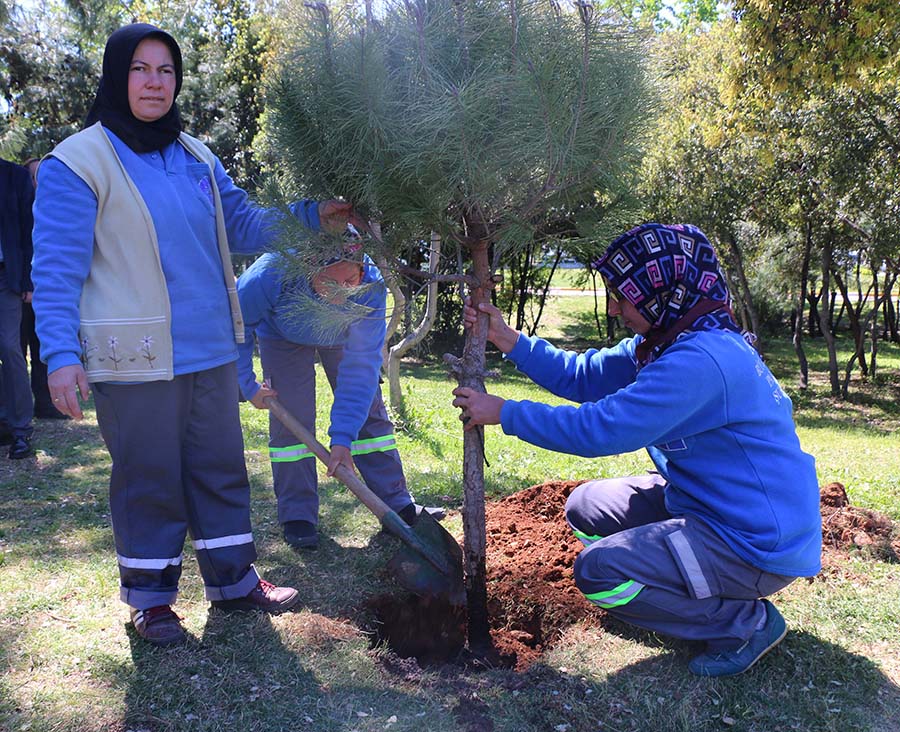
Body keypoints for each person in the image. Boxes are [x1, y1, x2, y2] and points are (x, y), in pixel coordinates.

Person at [31, 23, 358, 647]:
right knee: (148, 473)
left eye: (166, 71)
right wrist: (60, 355)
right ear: (116, 74)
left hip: (209, 347)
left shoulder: (194, 154)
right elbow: (55, 269)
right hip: (136, 358)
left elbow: (240, 222)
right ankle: (151, 600)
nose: (155, 82)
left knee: (219, 468)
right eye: (140, 69)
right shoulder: (78, 161)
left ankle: (233, 581)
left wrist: (314, 216)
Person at [452, 223, 821, 677]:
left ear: (659, 293)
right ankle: (665, 593)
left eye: (622, 297)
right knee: (587, 506)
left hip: (751, 541)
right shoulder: (667, 341)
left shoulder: (698, 362)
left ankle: (744, 623)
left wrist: (506, 413)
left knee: (598, 573)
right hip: (712, 506)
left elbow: (600, 430)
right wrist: (507, 339)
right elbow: (583, 377)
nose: (614, 307)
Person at [236, 228, 443, 550]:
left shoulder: (370, 288)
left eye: (352, 280)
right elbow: (235, 328)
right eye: (336, 283)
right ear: (311, 267)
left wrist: (342, 437)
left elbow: (360, 370)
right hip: (281, 335)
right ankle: (298, 514)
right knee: (292, 418)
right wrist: (247, 385)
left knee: (370, 415)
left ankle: (396, 502)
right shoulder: (270, 274)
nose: (347, 290)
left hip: (342, 336)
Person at [20, 157, 68, 421]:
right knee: (19, 348)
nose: (41, 181)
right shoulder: (21, 209)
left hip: (45, 290)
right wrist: (26, 284)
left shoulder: (56, 208)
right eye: (36, 175)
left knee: (41, 350)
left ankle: (46, 404)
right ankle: (19, 408)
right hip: (22, 289)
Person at [0, 157, 35, 459]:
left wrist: (28, 279)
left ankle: (21, 429)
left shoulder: (14, 176)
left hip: (6, 277)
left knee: (10, 348)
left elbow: (29, 230)